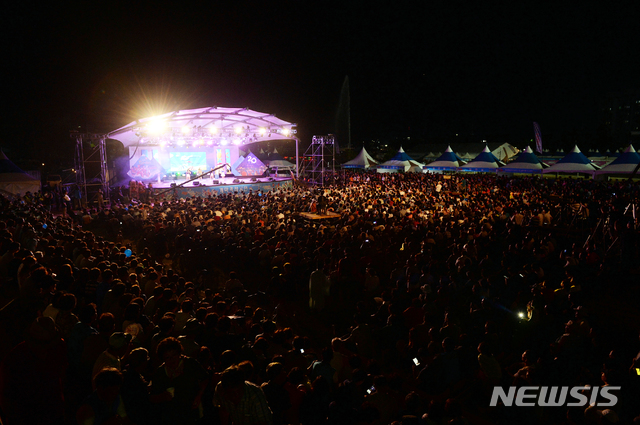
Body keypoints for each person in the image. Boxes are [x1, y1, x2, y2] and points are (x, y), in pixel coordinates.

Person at [150, 337, 208, 425]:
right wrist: (162, 397)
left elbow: (205, 378)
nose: (172, 360)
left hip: (191, 412)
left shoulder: (190, 364)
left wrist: (199, 395)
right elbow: (152, 397)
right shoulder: (160, 373)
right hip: (170, 417)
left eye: (174, 355)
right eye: (168, 357)